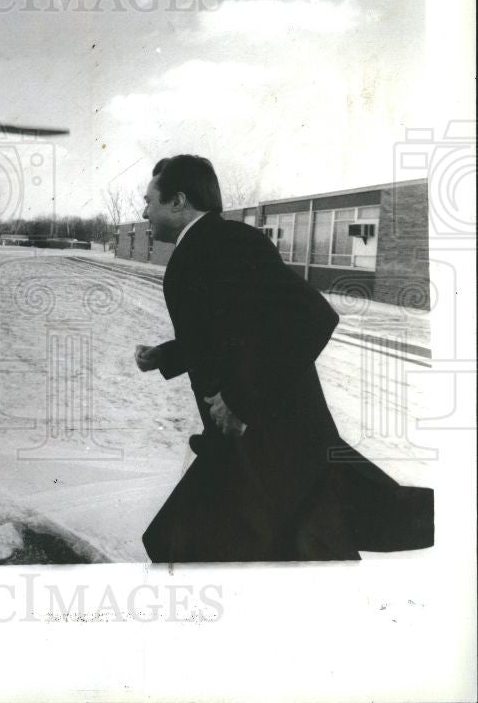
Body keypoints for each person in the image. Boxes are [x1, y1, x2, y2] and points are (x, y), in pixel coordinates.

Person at [136, 155, 433, 562]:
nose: (144, 211)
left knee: (191, 547)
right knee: (269, 548)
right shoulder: (205, 245)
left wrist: (239, 401)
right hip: (250, 445)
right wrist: (167, 354)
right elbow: (232, 331)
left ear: (178, 201)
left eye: (149, 200)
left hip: (272, 439)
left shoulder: (228, 242)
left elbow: (312, 315)